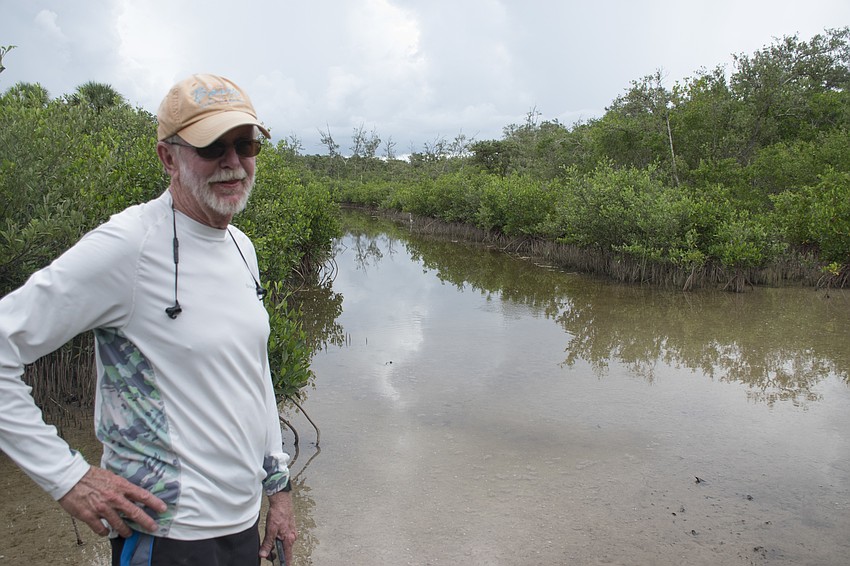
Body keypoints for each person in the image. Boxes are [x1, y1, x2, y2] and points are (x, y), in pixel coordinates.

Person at [0, 73, 297, 565]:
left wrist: (279, 490)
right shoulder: (128, 247)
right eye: (210, 147)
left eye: (244, 145)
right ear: (168, 157)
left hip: (242, 527)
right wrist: (68, 477)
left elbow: (255, 375)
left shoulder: (242, 248)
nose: (232, 163)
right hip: (166, 537)